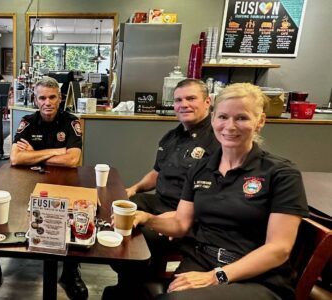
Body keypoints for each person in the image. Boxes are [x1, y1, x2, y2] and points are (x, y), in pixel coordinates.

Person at [133, 83, 309, 299]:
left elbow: (278, 249)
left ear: (260, 121)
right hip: (201, 261)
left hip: (256, 278)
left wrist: (217, 276)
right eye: (223, 117)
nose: (230, 126)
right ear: (214, 118)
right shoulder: (201, 168)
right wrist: (145, 218)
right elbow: (180, 224)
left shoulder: (281, 173)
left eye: (242, 118)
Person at [103, 79, 220, 297]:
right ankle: (128, 282)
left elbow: (217, 195)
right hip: (159, 202)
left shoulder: (217, 140)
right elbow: (157, 174)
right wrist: (133, 189)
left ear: (207, 102)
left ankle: (134, 288)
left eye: (191, 98)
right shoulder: (172, 137)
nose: (184, 104)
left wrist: (179, 215)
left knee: (140, 237)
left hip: (191, 216)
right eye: (178, 100)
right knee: (120, 211)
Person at [11, 76, 86, 299]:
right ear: (35, 100)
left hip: (64, 179)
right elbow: (15, 159)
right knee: (15, 213)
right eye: (42, 97)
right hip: (28, 180)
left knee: (72, 217)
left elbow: (73, 160)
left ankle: (70, 272)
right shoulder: (27, 120)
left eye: (52, 97)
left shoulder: (72, 122)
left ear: (60, 98)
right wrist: (57, 151)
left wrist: (33, 155)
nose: (47, 102)